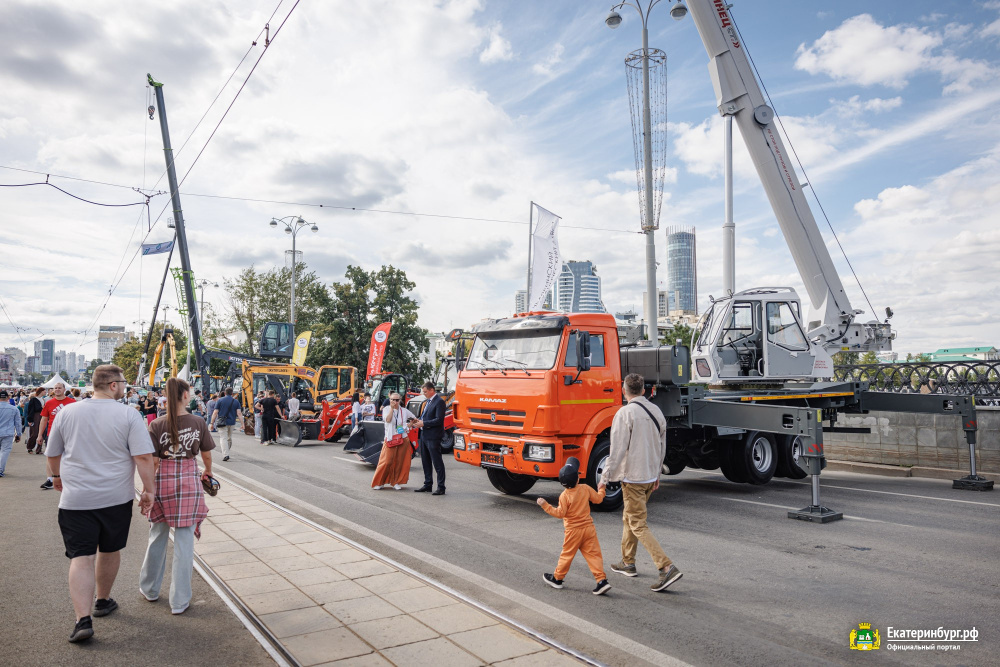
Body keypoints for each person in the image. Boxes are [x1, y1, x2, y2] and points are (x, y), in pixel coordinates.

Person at [45, 364, 156, 643]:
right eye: (124, 383)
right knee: (109, 549)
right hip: (115, 498)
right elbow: (143, 458)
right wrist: (148, 491)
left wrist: (56, 476)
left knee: (81, 557)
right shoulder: (129, 414)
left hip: (75, 499)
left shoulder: (68, 411)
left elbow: (52, 452)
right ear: (114, 385)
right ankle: (103, 600)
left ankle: (82, 619)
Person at [600, 373, 681, 592]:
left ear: (623, 390)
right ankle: (628, 562)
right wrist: (657, 474)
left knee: (637, 523)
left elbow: (616, 451)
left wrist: (605, 478)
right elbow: (662, 446)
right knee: (629, 517)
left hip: (633, 478)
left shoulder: (624, 413)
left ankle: (666, 567)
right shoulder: (656, 412)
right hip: (649, 477)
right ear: (644, 390)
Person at [140, 377, 214, 614]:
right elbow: (206, 455)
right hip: (188, 480)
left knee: (157, 535)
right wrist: (208, 472)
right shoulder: (197, 421)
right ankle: (179, 601)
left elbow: (152, 461)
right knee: (184, 541)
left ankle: (149, 588)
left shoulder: (156, 424)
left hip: (162, 480)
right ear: (184, 395)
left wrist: (148, 489)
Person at [537, 457, 611, 595]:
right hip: (588, 529)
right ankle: (601, 581)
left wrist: (545, 505)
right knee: (594, 555)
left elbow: (560, 513)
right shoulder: (585, 488)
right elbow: (598, 499)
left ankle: (557, 579)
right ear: (577, 479)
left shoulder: (564, 496)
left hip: (573, 532)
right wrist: (602, 489)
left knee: (567, 555)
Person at [371, 393, 414, 490]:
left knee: (399, 462)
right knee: (387, 461)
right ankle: (380, 482)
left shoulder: (404, 411)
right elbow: (388, 420)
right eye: (392, 399)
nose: (395, 402)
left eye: (397, 400)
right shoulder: (386, 409)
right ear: (389, 400)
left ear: (400, 400)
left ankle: (395, 482)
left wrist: (410, 424)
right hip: (390, 439)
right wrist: (391, 408)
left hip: (402, 438)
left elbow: (414, 419)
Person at [38, 381, 76, 489]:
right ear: (53, 390)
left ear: (64, 390)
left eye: (60, 388)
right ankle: (50, 479)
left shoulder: (72, 402)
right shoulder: (49, 403)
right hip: (52, 434)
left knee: (70, 456)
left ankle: (69, 478)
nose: (57, 390)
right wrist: (39, 435)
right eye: (55, 388)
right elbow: (44, 419)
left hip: (69, 434)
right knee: (51, 456)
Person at [414, 381, 447, 495]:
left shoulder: (439, 402)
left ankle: (441, 487)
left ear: (432, 390)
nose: (424, 394)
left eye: (425, 392)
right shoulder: (427, 402)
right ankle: (428, 484)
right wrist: (417, 421)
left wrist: (424, 423)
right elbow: (425, 417)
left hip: (433, 436)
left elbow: (439, 420)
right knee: (425, 461)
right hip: (424, 435)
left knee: (437, 462)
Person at [211, 388, 243, 462]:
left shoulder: (220, 400)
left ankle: (226, 454)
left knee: (223, 438)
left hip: (222, 422)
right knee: (229, 437)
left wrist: (211, 423)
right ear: (232, 393)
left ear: (225, 393)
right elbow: (239, 413)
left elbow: (215, 412)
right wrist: (242, 424)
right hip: (232, 422)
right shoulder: (236, 401)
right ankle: (227, 451)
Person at [0, 390, 23, 477]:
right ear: (8, 398)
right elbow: (18, 422)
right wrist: (19, 434)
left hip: (6, 432)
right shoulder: (14, 409)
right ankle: (0, 469)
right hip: (7, 433)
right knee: (4, 452)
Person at [25, 387, 44, 453]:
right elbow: (31, 410)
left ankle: (38, 449)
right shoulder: (33, 400)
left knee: (41, 433)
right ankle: (29, 447)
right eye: (44, 391)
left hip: (42, 417)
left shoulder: (43, 399)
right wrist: (30, 420)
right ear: (41, 391)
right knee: (34, 433)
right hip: (35, 417)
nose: (45, 392)